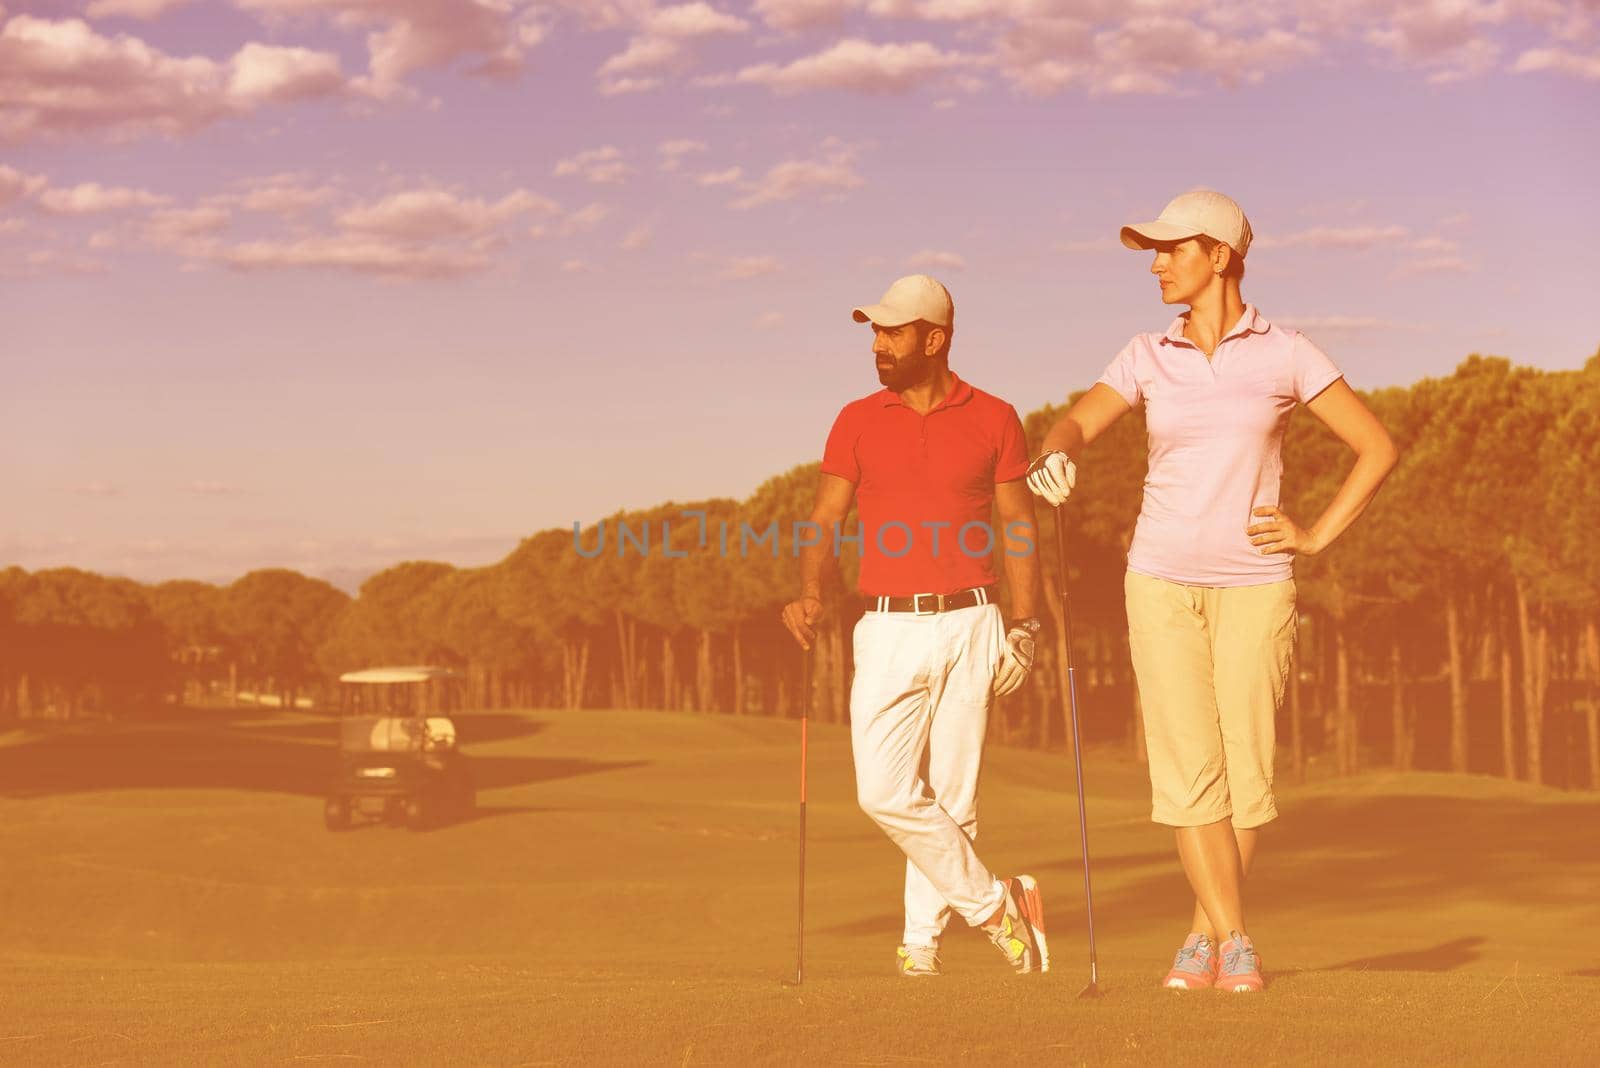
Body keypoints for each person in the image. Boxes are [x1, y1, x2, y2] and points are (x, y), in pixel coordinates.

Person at [1026, 190, 1398, 993]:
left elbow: (1375, 446)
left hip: (1257, 584)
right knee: (1189, 770)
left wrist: (1316, 534)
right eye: (1153, 252)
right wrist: (1055, 454)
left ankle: (1202, 939)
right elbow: (1077, 422)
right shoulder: (1144, 353)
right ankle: (1235, 942)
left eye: (1172, 250)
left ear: (1220, 256)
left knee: (1246, 774)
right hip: (1158, 579)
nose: (1156, 264)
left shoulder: (1288, 353)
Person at [780, 274, 1049, 978]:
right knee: (884, 792)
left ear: (935, 338)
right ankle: (998, 907)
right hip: (888, 625)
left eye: (893, 332)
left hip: (973, 619)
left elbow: (1018, 526)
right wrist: (811, 592)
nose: (878, 345)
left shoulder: (994, 416)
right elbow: (823, 522)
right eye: (874, 332)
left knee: (956, 797)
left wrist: (1025, 625)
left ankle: (921, 947)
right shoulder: (857, 418)